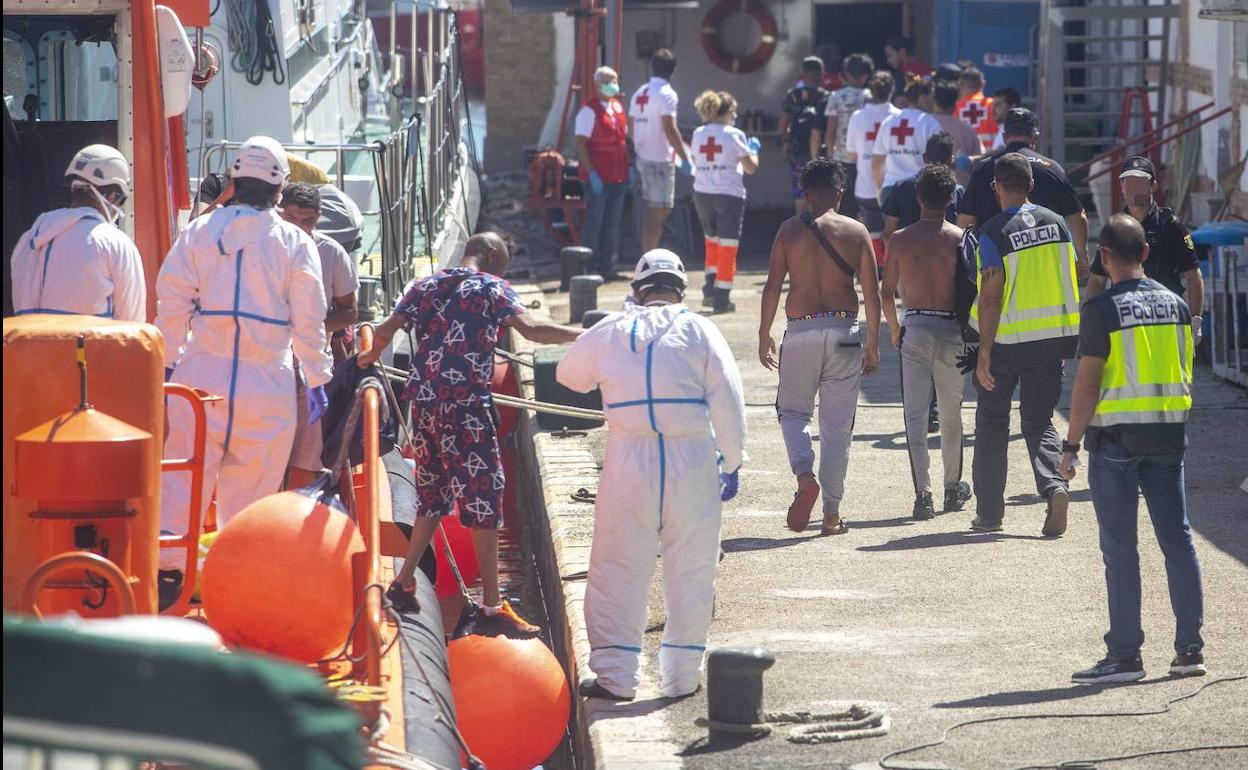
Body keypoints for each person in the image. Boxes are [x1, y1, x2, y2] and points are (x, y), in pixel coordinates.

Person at [358, 232, 582, 635]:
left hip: (425, 404)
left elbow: (386, 330)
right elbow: (531, 330)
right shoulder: (491, 287)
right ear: (495, 255)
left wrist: (366, 361)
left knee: (433, 493)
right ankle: (493, 606)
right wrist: (582, 336)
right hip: (465, 405)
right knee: (485, 497)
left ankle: (405, 579)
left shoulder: (425, 283)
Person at [556, 249, 746, 701]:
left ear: (638, 290)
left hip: (629, 456)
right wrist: (734, 460)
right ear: (681, 290)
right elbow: (730, 397)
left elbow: (568, 375)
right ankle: (681, 678)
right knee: (692, 568)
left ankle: (617, 677)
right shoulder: (701, 329)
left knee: (618, 565)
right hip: (693, 455)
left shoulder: (612, 329)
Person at [156, 137, 334, 598]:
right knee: (252, 492)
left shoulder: (198, 232)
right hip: (267, 381)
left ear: (234, 181)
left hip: (201, 374)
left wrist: (168, 364)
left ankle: (169, 578)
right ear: (279, 190)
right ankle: (238, 587)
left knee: (182, 482)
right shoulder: (295, 242)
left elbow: (171, 302)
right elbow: (309, 320)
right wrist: (317, 378)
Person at [1061, 214, 1205, 684]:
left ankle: (1125, 655)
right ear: (1145, 253)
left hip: (1118, 441)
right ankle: (1189, 650)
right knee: (1178, 542)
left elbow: (1086, 384)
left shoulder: (1101, 309)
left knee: (1121, 550)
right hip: (1168, 437)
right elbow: (1185, 370)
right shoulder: (1178, 305)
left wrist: (1071, 445)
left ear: (1104, 257)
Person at [759, 158, 881, 535]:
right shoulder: (857, 231)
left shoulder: (788, 231)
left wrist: (764, 333)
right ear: (840, 194)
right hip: (845, 332)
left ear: (805, 195)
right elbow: (873, 293)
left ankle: (803, 475)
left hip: (800, 331)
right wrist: (873, 342)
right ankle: (831, 513)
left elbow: (772, 285)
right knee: (837, 427)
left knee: (794, 413)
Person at [968, 153, 1081, 535]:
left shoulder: (994, 230)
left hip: (1005, 344)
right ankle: (1054, 487)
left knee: (992, 423)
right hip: (1051, 342)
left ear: (996, 187)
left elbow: (991, 294)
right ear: (1031, 186)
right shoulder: (1059, 225)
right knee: (1038, 421)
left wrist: (983, 351)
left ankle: (989, 513)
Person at [880, 165, 973, 520]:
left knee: (915, 416)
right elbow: (973, 291)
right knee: (952, 414)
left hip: (915, 325)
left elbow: (886, 292)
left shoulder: (900, 239)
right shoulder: (961, 237)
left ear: (918, 198)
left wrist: (893, 329)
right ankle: (953, 488)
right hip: (951, 328)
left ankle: (923, 494)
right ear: (951, 198)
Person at [279, 182, 361, 488]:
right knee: (264, 456)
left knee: (306, 459)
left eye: (307, 220)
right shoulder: (259, 250)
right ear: (279, 213)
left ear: (318, 219)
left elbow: (350, 312)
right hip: (266, 366)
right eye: (291, 218)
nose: (299, 227)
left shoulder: (331, 253)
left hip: (310, 370)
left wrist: (308, 327)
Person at [11, 144, 145, 321]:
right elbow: (132, 325)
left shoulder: (29, 239)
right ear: (111, 197)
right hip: (94, 348)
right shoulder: (117, 244)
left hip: (34, 348)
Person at [1085, 156, 1205, 344]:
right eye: (1129, 183)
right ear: (1122, 187)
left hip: (1165, 319)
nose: (1134, 189)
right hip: (1124, 320)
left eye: (1140, 182)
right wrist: (1089, 321)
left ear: (1153, 186)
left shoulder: (1171, 227)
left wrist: (1195, 320)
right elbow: (1097, 280)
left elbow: (1193, 275)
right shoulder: (1114, 229)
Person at [958, 108, 1090, 267]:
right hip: (1045, 262)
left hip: (995, 261)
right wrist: (1081, 255)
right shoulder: (1052, 168)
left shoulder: (984, 168)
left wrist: (965, 263)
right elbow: (1077, 217)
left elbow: (966, 220)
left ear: (1005, 137)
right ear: (1034, 137)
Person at [691, 90, 760, 314]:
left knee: (712, 242)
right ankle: (722, 298)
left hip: (702, 193)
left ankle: (710, 290)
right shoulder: (734, 134)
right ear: (729, 111)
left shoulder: (698, 133)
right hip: (728, 195)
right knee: (728, 246)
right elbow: (750, 167)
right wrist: (754, 151)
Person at [629, 49, 691, 253]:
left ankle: (649, 254)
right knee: (658, 213)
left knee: (654, 211)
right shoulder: (667, 94)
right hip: (659, 160)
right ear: (673, 71)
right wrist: (685, 158)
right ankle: (649, 257)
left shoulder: (640, 92)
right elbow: (670, 128)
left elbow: (630, 126)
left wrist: (639, 146)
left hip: (643, 157)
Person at [576, 66, 631, 280]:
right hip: (599, 178)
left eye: (615, 80)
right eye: (609, 81)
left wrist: (630, 169)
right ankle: (589, 268)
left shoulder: (617, 108)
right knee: (594, 224)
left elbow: (623, 142)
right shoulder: (588, 111)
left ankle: (608, 267)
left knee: (613, 224)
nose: (613, 85)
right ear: (598, 84)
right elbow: (581, 145)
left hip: (619, 176)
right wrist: (591, 173)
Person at [845, 71, 900, 264]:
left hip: (866, 185)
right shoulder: (899, 117)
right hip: (894, 185)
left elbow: (851, 154)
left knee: (873, 232)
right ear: (892, 91)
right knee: (895, 232)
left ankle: (876, 273)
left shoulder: (857, 117)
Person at [872, 80, 943, 211]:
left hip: (890, 190)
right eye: (931, 97)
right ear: (922, 97)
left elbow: (876, 162)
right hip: (919, 192)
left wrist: (879, 191)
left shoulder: (889, 121)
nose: (933, 101)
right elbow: (939, 162)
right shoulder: (931, 123)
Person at [882, 132, 964, 244]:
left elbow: (888, 234)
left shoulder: (902, 187)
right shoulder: (957, 192)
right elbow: (963, 234)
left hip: (907, 257)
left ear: (925, 157)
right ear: (951, 160)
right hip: (946, 258)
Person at [823, 53, 875, 220]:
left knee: (844, 207)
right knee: (867, 207)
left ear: (846, 73)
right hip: (867, 158)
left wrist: (831, 155)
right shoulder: (872, 97)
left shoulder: (836, 96)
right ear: (867, 74)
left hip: (842, 158)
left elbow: (830, 131)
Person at [779, 57, 831, 214]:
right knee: (820, 195)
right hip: (820, 154)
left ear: (803, 73)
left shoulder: (792, 95)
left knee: (800, 194)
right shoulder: (826, 96)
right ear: (821, 74)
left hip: (797, 153)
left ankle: (800, 231)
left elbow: (782, 124)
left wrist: (786, 141)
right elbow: (828, 127)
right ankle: (818, 233)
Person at [930, 81, 983, 174]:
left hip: (928, 184)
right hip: (963, 185)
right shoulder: (968, 130)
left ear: (934, 102)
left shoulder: (923, 124)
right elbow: (979, 163)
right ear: (955, 104)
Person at [955, 68, 998, 149]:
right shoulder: (993, 105)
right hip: (991, 157)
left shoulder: (955, 108)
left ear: (960, 85)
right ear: (982, 84)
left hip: (964, 159)